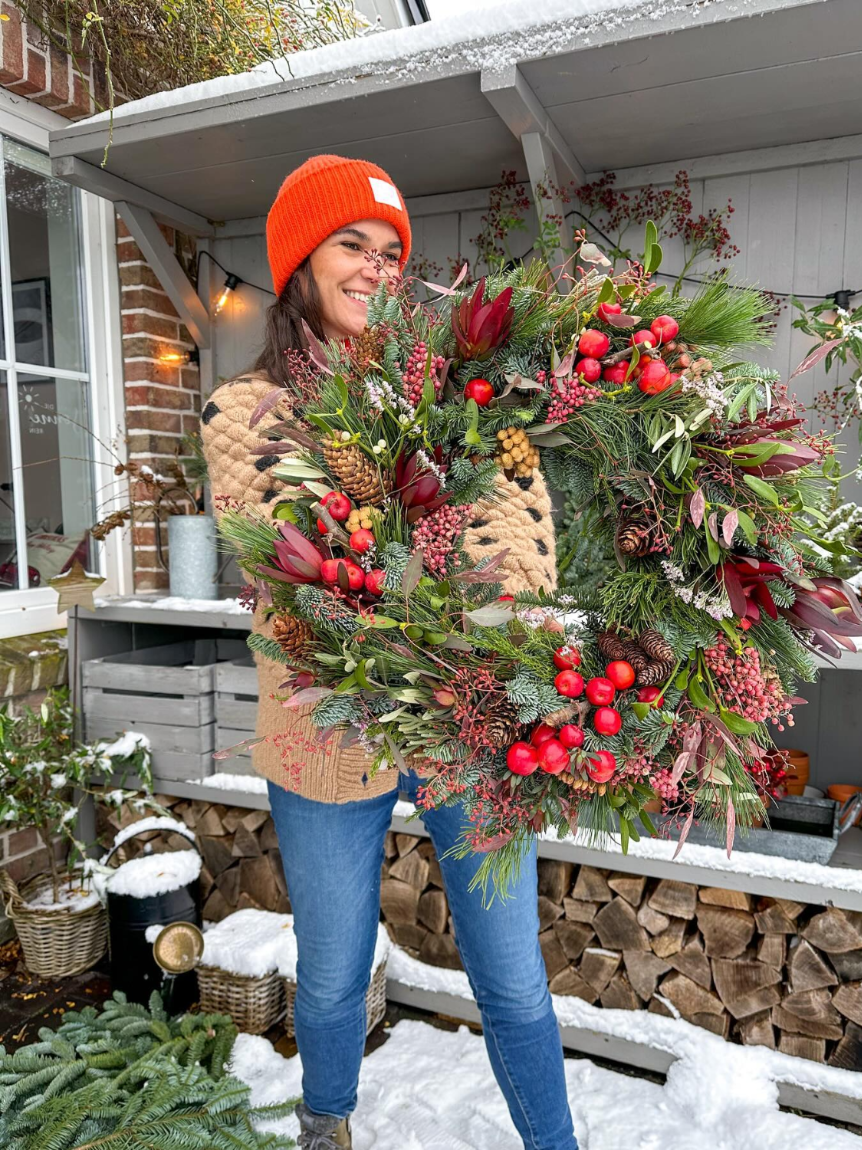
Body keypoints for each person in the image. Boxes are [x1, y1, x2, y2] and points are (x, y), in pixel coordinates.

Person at [201, 154, 576, 1150]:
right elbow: (298, 578)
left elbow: (520, 542)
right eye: (350, 245)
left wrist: (466, 581)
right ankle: (327, 1127)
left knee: (509, 971)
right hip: (324, 735)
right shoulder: (242, 412)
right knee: (329, 969)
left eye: (390, 251)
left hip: (464, 721)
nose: (375, 267)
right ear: (300, 263)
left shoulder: (461, 387)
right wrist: (420, 522)